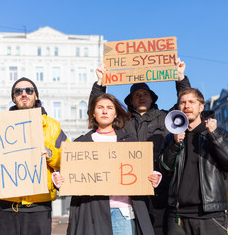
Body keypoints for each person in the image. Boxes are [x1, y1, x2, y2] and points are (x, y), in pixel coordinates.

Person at [92, 58, 191, 234]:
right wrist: (100, 84)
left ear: (152, 98)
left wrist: (181, 78)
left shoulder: (167, 117)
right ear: (131, 101)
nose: (141, 97)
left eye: (145, 94)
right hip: (132, 189)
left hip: (162, 187)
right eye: (137, 95)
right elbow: (98, 112)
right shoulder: (122, 122)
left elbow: (185, 104)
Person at [53, 93, 159, 235]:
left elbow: (143, 172)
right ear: (93, 113)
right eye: (100, 107)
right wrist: (59, 180)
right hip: (91, 213)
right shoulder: (80, 144)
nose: (104, 111)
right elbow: (69, 176)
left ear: (115, 114)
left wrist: (154, 177)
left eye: (109, 108)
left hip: (123, 214)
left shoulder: (130, 142)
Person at [0, 77, 68, 235]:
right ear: (13, 97)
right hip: (4, 207)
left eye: (29, 90)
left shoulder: (52, 127)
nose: (24, 94)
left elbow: (68, 160)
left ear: (35, 95)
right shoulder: (0, 128)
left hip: (38, 207)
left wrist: (51, 155)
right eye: (18, 91)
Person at [159, 87, 228, 235]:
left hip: (211, 214)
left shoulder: (219, 133)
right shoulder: (172, 137)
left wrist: (214, 135)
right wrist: (175, 145)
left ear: (201, 107)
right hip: (177, 215)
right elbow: (164, 169)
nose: (187, 106)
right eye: (182, 103)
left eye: (191, 102)